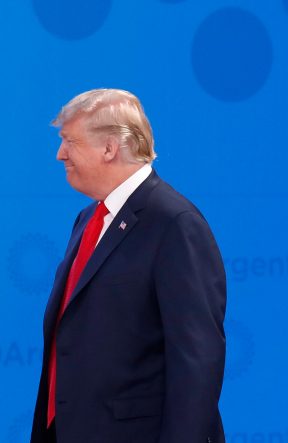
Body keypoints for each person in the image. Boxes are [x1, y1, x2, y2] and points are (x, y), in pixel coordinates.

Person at [30, 89, 226, 443]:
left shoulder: (174, 223)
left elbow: (197, 360)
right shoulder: (88, 219)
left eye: (69, 141)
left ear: (109, 148)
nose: (60, 154)